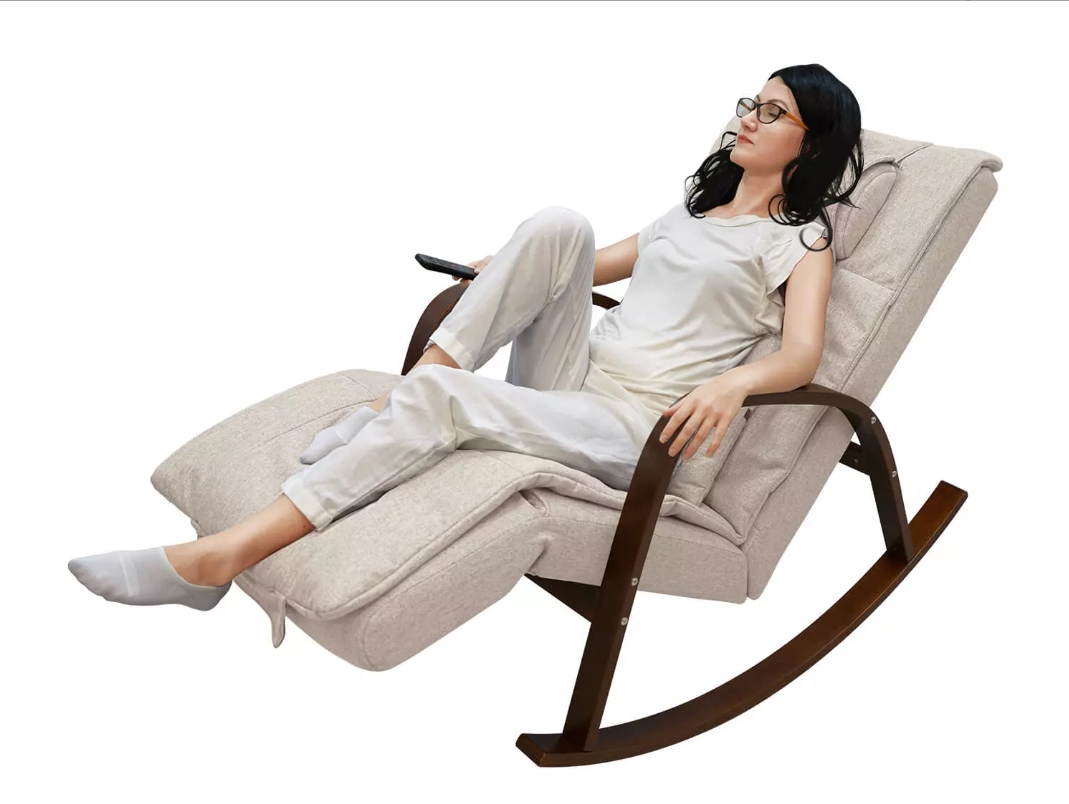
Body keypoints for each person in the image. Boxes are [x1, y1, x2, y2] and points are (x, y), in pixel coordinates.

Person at [67, 64, 864, 611]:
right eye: (748, 103)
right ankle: (402, 400)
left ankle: (221, 557)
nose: (746, 118)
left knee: (446, 399)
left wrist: (732, 382)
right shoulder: (695, 207)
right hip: (574, 381)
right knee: (559, 223)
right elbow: (594, 261)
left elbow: (799, 352)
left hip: (635, 429)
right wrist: (505, 265)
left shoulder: (799, 240)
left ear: (810, 141)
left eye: (772, 113)